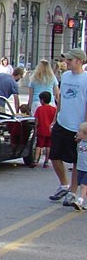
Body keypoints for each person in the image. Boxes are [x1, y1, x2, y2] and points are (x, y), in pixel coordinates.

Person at [48, 47, 87, 207]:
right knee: (54, 155)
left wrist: (84, 128)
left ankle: (72, 191)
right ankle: (64, 184)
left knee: (77, 161)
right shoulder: (65, 76)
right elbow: (61, 98)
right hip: (62, 122)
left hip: (77, 126)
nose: (66, 63)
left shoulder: (85, 79)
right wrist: (55, 118)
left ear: (79, 61)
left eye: (69, 60)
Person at [34, 91, 56, 168]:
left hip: (41, 130)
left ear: (42, 100)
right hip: (50, 131)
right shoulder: (54, 109)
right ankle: (46, 161)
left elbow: (37, 120)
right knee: (48, 146)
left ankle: (35, 160)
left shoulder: (39, 109)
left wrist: (35, 129)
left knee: (39, 145)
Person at [72, 121, 87, 211]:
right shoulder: (80, 142)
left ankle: (79, 201)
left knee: (83, 185)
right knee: (84, 186)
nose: (78, 133)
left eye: (80, 131)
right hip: (81, 167)